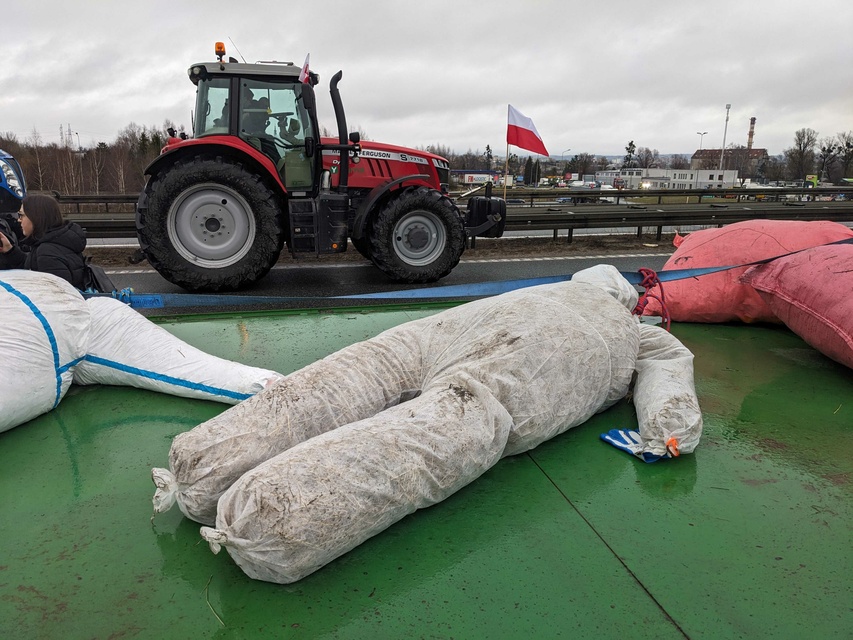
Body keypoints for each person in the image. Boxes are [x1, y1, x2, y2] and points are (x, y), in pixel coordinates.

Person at [0, 194, 87, 289]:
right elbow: (33, 267)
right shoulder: (54, 243)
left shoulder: (47, 251)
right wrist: (10, 250)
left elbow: (57, 295)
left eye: (21, 215)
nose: (18, 220)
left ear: (35, 217)